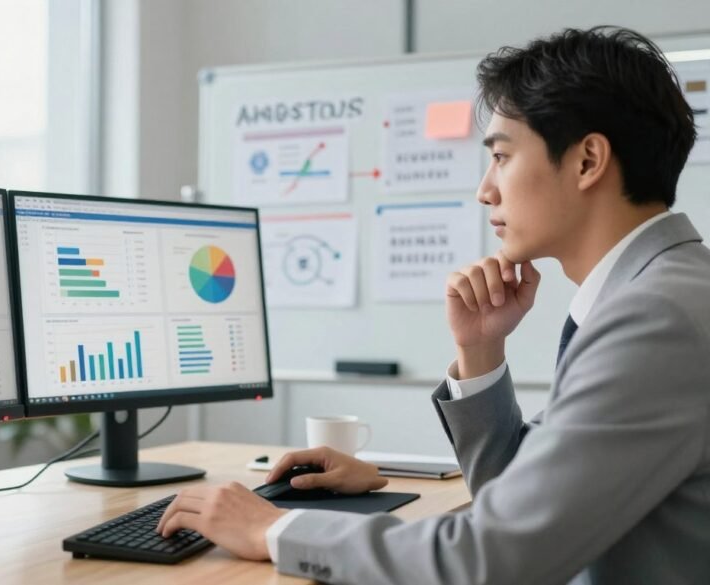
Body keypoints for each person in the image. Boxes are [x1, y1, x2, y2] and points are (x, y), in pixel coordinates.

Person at [157, 26, 710, 584]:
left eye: (501, 156)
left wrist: (272, 530)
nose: (485, 189)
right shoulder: (659, 292)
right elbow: (522, 497)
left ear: (588, 160)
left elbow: (492, 558)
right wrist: (480, 351)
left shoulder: (656, 320)